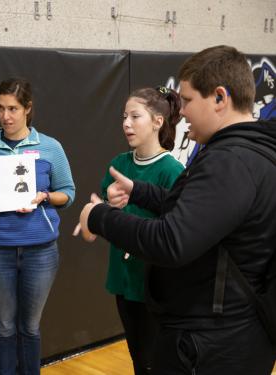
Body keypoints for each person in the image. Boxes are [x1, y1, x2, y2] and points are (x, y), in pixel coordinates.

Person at [77, 45, 276, 374]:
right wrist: (139, 191)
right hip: (229, 335)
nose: (180, 111)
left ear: (219, 98)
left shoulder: (231, 162)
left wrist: (98, 217)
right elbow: (203, 213)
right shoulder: (251, 152)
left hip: (213, 345)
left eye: (186, 100)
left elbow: (171, 241)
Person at [0, 78, 75, 375]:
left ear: (28, 109)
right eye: (0, 108)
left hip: (40, 251)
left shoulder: (50, 147)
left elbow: (69, 192)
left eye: (13, 108)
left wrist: (45, 196)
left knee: (30, 326)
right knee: (5, 326)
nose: (6, 116)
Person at [98, 87, 184, 375]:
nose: (126, 123)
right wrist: (106, 203)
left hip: (154, 285)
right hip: (123, 282)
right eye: (124, 116)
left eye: (135, 116)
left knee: (155, 361)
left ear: (158, 121)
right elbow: (97, 210)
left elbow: (177, 229)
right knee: (138, 357)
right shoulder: (119, 164)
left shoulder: (171, 170)